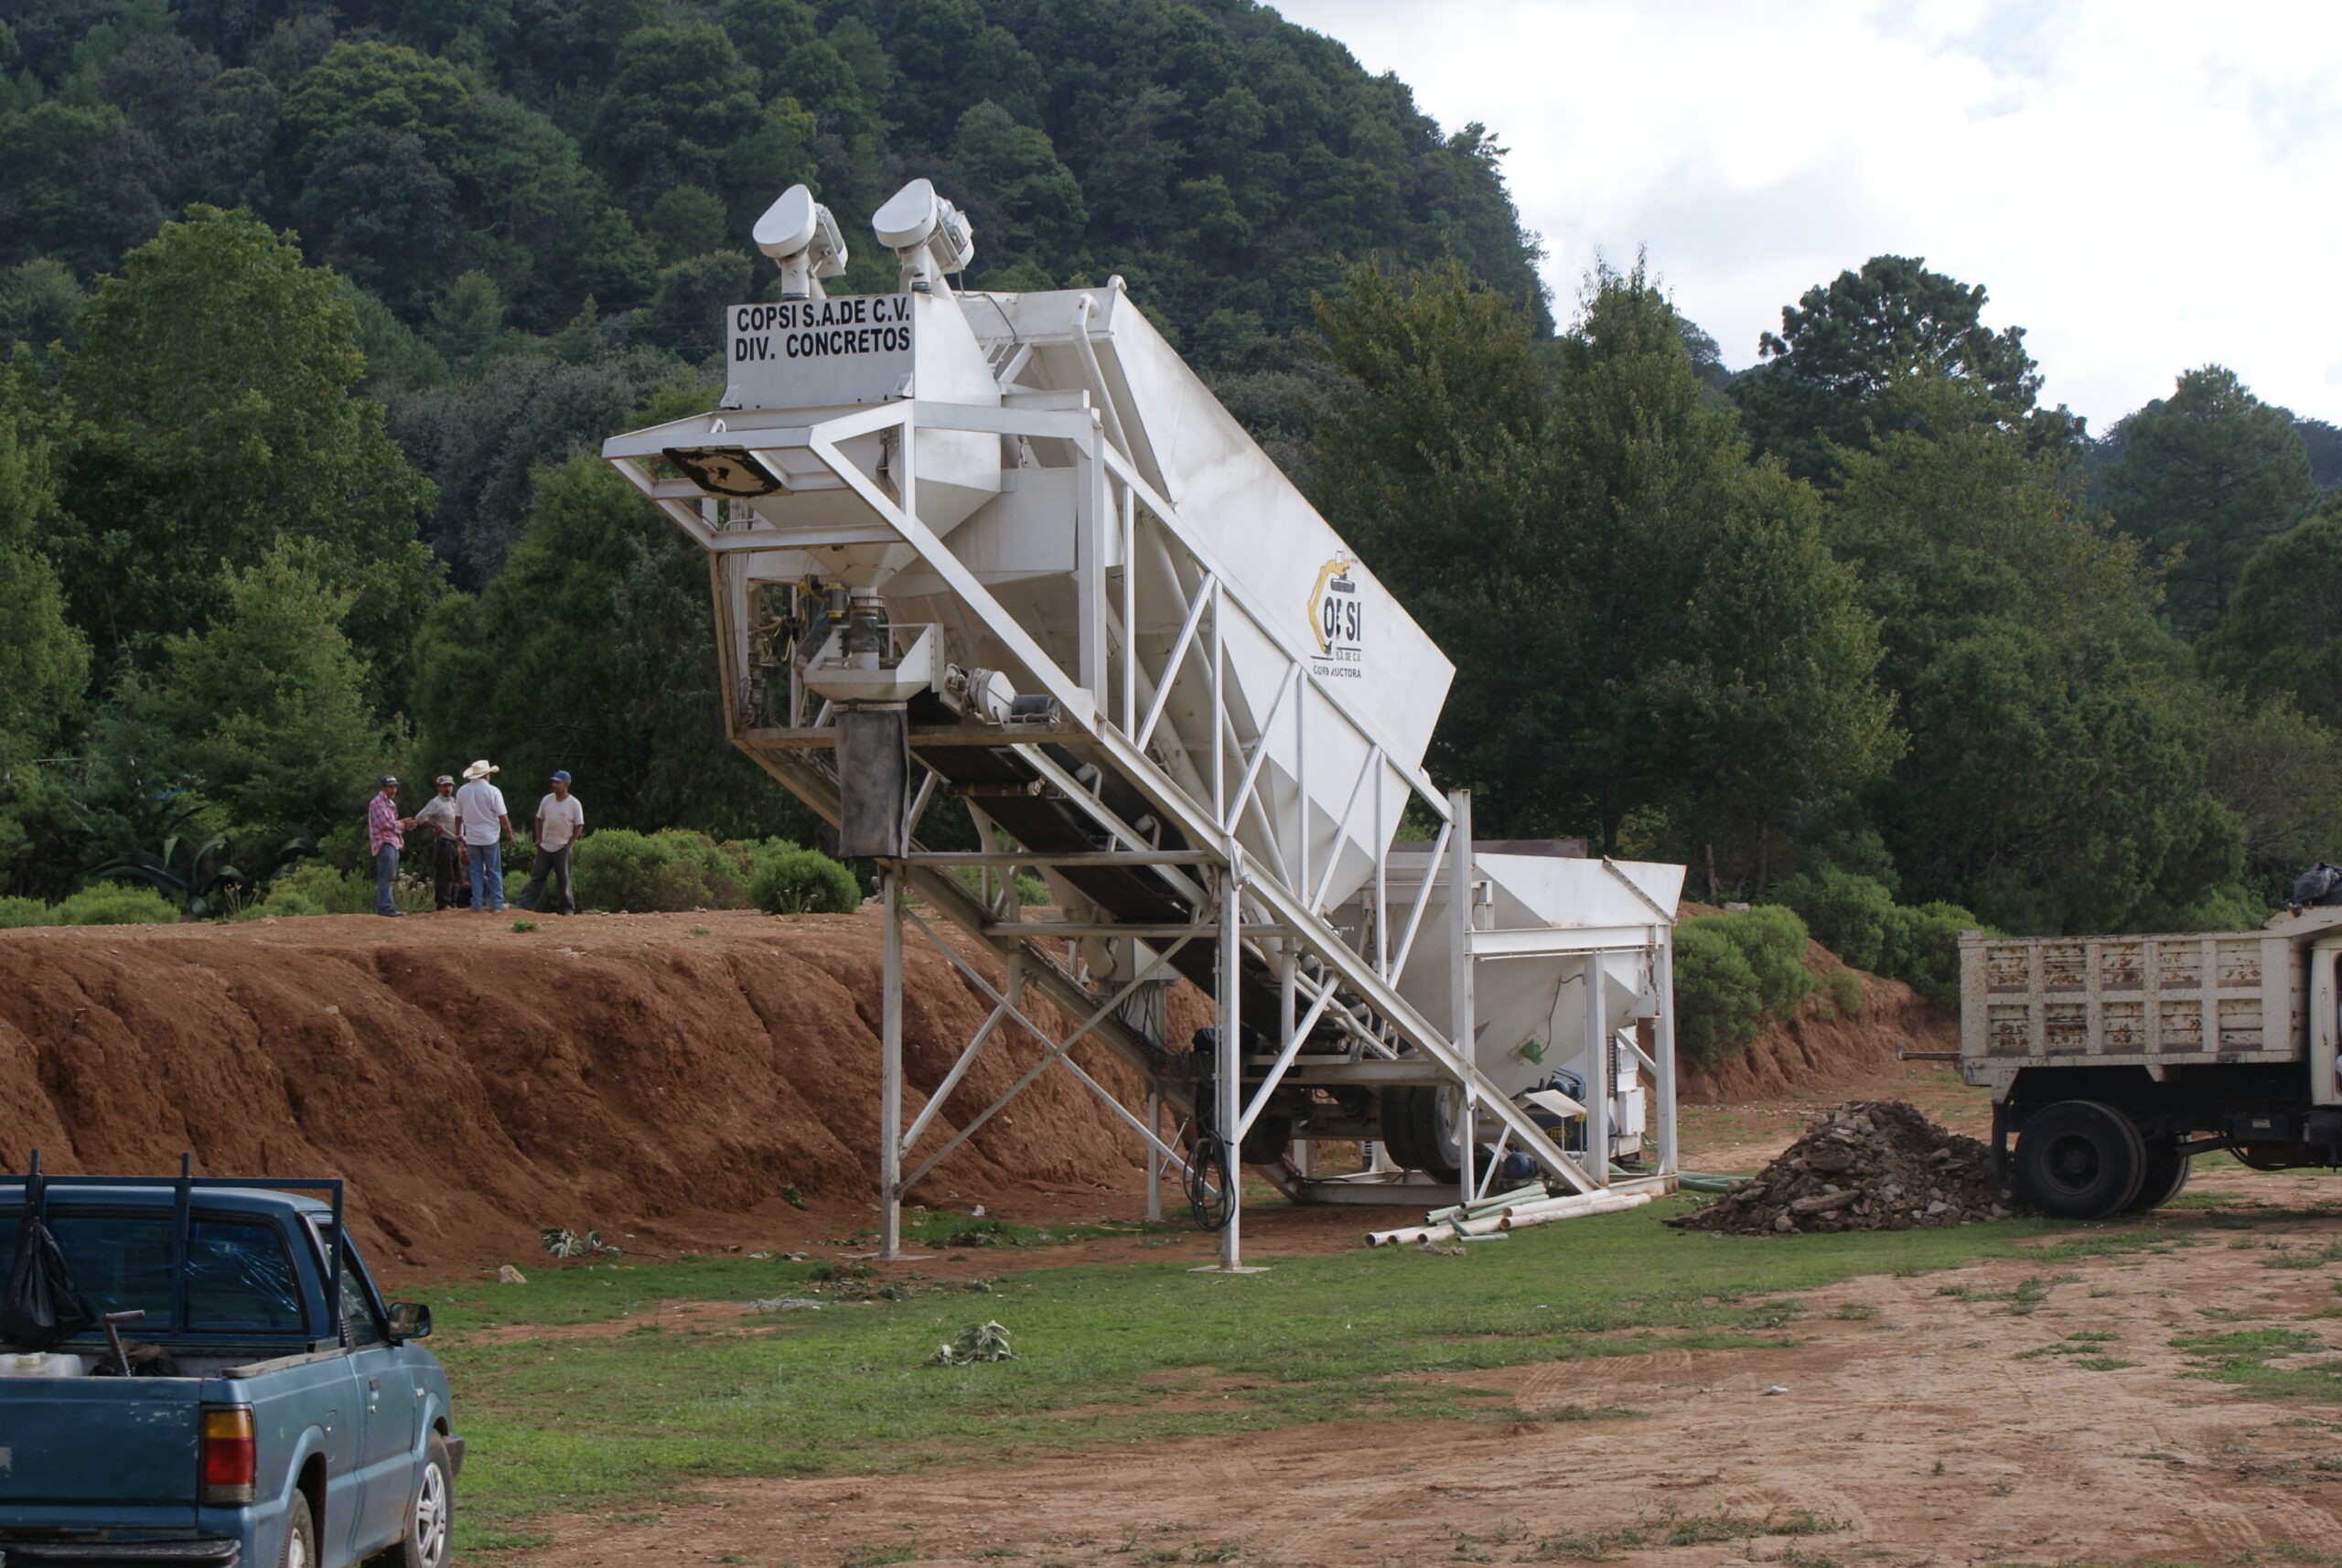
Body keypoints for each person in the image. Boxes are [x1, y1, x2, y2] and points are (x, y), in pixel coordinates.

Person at [515, 770, 585, 915]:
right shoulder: (547, 800)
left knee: (564, 879)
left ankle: (567, 908)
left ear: (566, 784)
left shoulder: (574, 803)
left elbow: (579, 825)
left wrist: (571, 841)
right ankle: (524, 904)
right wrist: (539, 838)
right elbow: (539, 819)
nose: (554, 785)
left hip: (562, 846)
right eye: (553, 782)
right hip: (545, 846)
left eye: (558, 782)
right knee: (537, 877)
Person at [455, 759, 513, 913]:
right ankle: (496, 903)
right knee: (493, 870)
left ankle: (477, 903)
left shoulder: (462, 791)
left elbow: (458, 816)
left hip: (472, 837)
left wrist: (458, 833)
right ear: (486, 775)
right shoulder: (493, 791)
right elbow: (502, 816)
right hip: (490, 837)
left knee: (475, 870)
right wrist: (509, 833)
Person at [411, 775, 464, 910]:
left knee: (456, 872)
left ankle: (452, 901)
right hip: (444, 841)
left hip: (455, 841)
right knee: (445, 872)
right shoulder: (435, 802)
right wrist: (435, 826)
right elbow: (420, 817)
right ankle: (443, 902)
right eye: (445, 785)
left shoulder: (454, 801)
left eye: (450, 785)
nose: (448, 788)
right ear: (439, 787)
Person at [365, 776, 414, 918]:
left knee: (389, 876)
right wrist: (403, 824)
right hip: (384, 842)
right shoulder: (377, 803)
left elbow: (391, 824)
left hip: (392, 842)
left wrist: (402, 825)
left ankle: (386, 906)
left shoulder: (389, 803)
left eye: (394, 787)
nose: (393, 790)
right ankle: (385, 907)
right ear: (382, 788)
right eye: (390, 787)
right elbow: (386, 824)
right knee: (386, 876)